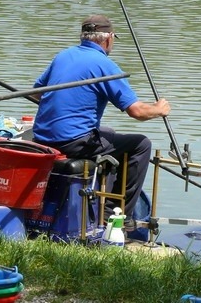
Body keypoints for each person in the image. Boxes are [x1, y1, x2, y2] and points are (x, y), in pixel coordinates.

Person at [32, 14, 171, 224]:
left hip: (41, 137)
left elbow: (36, 93)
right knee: (141, 144)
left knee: (109, 133)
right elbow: (136, 112)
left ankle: (102, 194)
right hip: (72, 143)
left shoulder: (63, 56)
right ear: (107, 39)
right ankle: (115, 215)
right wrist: (159, 109)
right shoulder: (104, 65)